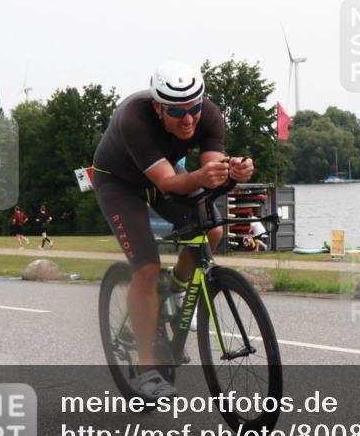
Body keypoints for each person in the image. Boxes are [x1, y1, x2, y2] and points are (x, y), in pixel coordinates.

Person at [92, 60, 255, 399]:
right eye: (177, 112)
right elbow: (168, 182)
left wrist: (232, 170)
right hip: (120, 184)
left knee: (211, 231)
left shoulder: (209, 114)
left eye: (194, 108)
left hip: (164, 177)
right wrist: (203, 176)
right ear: (158, 108)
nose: (189, 119)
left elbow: (210, 169)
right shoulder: (134, 118)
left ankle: (175, 288)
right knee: (147, 268)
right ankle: (147, 369)